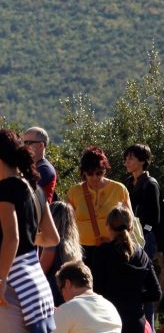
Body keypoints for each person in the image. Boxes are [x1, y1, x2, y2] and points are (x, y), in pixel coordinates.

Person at [0, 129, 59, 332]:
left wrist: (1, 281)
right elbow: (52, 238)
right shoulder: (35, 189)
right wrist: (30, 237)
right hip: (35, 282)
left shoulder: (5, 188)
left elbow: (12, 238)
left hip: (13, 283)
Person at [91, 205, 161, 333]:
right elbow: (155, 292)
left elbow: (96, 289)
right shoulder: (142, 255)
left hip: (109, 320)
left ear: (108, 226)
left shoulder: (102, 253)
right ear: (132, 227)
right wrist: (134, 297)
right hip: (135, 322)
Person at [66, 146, 131, 264]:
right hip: (82, 250)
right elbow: (67, 223)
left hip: (113, 249)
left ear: (105, 170)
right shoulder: (74, 192)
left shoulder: (119, 189)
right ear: (83, 172)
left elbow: (129, 222)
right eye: (90, 173)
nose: (95, 177)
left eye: (99, 172)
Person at [123, 143, 160, 328]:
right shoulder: (128, 183)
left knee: (146, 283)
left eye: (131, 157)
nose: (127, 161)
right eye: (126, 157)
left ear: (143, 161)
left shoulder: (150, 184)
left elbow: (154, 218)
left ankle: (149, 326)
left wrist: (143, 233)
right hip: (131, 237)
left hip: (145, 239)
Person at [53, 260, 122, 333]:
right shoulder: (110, 307)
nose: (62, 295)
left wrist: (58, 315)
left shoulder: (67, 309)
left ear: (67, 284)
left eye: (61, 289)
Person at [40, 201, 83, 306]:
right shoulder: (73, 245)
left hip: (52, 296)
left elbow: (41, 271)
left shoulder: (52, 245)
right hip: (67, 296)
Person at [22, 127, 58, 203]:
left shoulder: (45, 169)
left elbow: (25, 192)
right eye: (23, 143)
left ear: (40, 146)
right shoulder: (33, 166)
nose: (24, 147)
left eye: (28, 143)